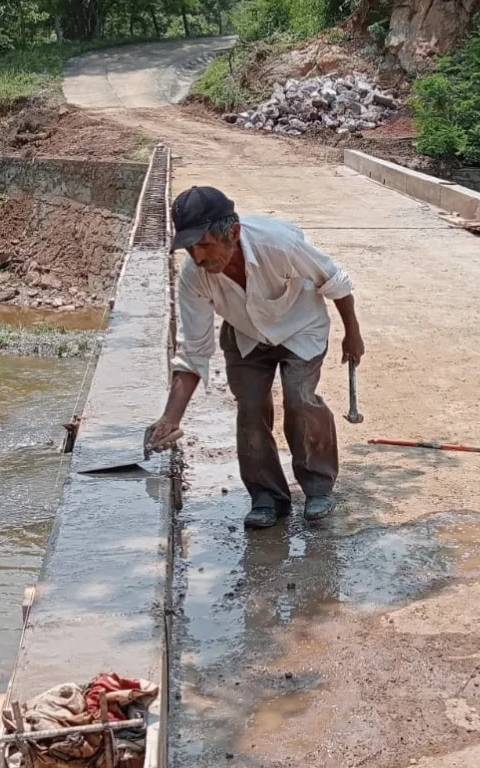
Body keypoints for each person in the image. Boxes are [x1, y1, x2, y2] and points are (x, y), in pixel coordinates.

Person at [147, 186, 364, 529]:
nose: (198, 257)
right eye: (189, 248)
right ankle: (267, 496)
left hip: (300, 327)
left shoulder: (278, 243)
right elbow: (194, 350)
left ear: (232, 233)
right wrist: (170, 418)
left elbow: (334, 280)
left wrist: (353, 334)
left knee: (300, 399)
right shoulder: (194, 276)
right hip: (245, 334)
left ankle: (318, 487)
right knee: (250, 409)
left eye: (204, 244)